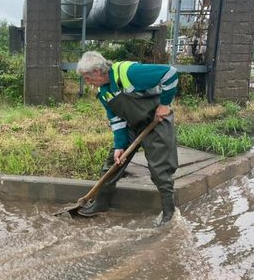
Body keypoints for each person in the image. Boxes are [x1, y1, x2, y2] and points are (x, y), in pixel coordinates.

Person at [75, 51, 179, 225]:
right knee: (114, 162)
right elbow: (116, 120)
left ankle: (169, 212)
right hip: (132, 124)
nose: (87, 82)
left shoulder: (128, 72)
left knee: (160, 168)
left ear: (98, 71)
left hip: (156, 121)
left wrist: (165, 104)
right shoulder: (104, 92)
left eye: (87, 77)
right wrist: (120, 145)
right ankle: (100, 204)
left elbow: (170, 73)